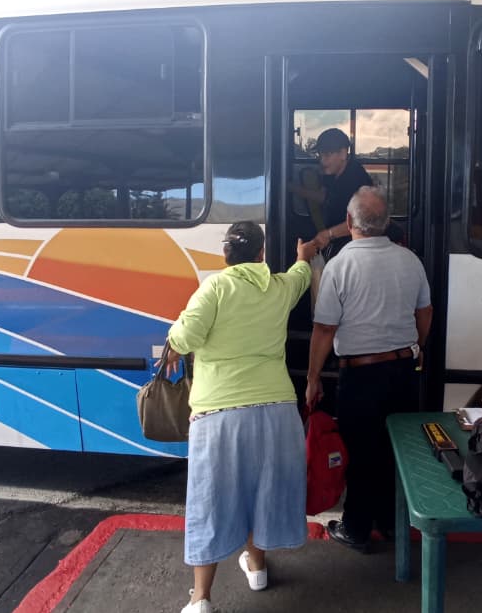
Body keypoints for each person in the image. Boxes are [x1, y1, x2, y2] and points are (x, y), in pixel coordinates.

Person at [163, 221, 317, 613]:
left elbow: (184, 337)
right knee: (260, 494)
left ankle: (201, 599)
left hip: (220, 414)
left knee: (211, 504)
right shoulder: (279, 287)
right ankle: (258, 567)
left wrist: (174, 340)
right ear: (261, 254)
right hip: (277, 412)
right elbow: (301, 275)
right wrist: (303, 257)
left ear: (226, 253)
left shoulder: (215, 287)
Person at [305, 186, 432, 551]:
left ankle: (357, 528)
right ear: (386, 222)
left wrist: (313, 378)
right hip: (403, 370)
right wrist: (418, 348)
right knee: (396, 451)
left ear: (348, 221)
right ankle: (391, 523)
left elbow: (325, 329)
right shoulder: (410, 260)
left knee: (360, 452)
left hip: (360, 375)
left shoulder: (339, 265)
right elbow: (425, 311)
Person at [290, 127, 373, 258]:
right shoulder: (331, 174)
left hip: (357, 247)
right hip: (338, 241)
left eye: (327, 155)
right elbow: (324, 197)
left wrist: (328, 234)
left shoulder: (356, 178)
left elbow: (364, 221)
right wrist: (293, 189)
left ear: (343, 153)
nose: (322, 161)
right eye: (320, 155)